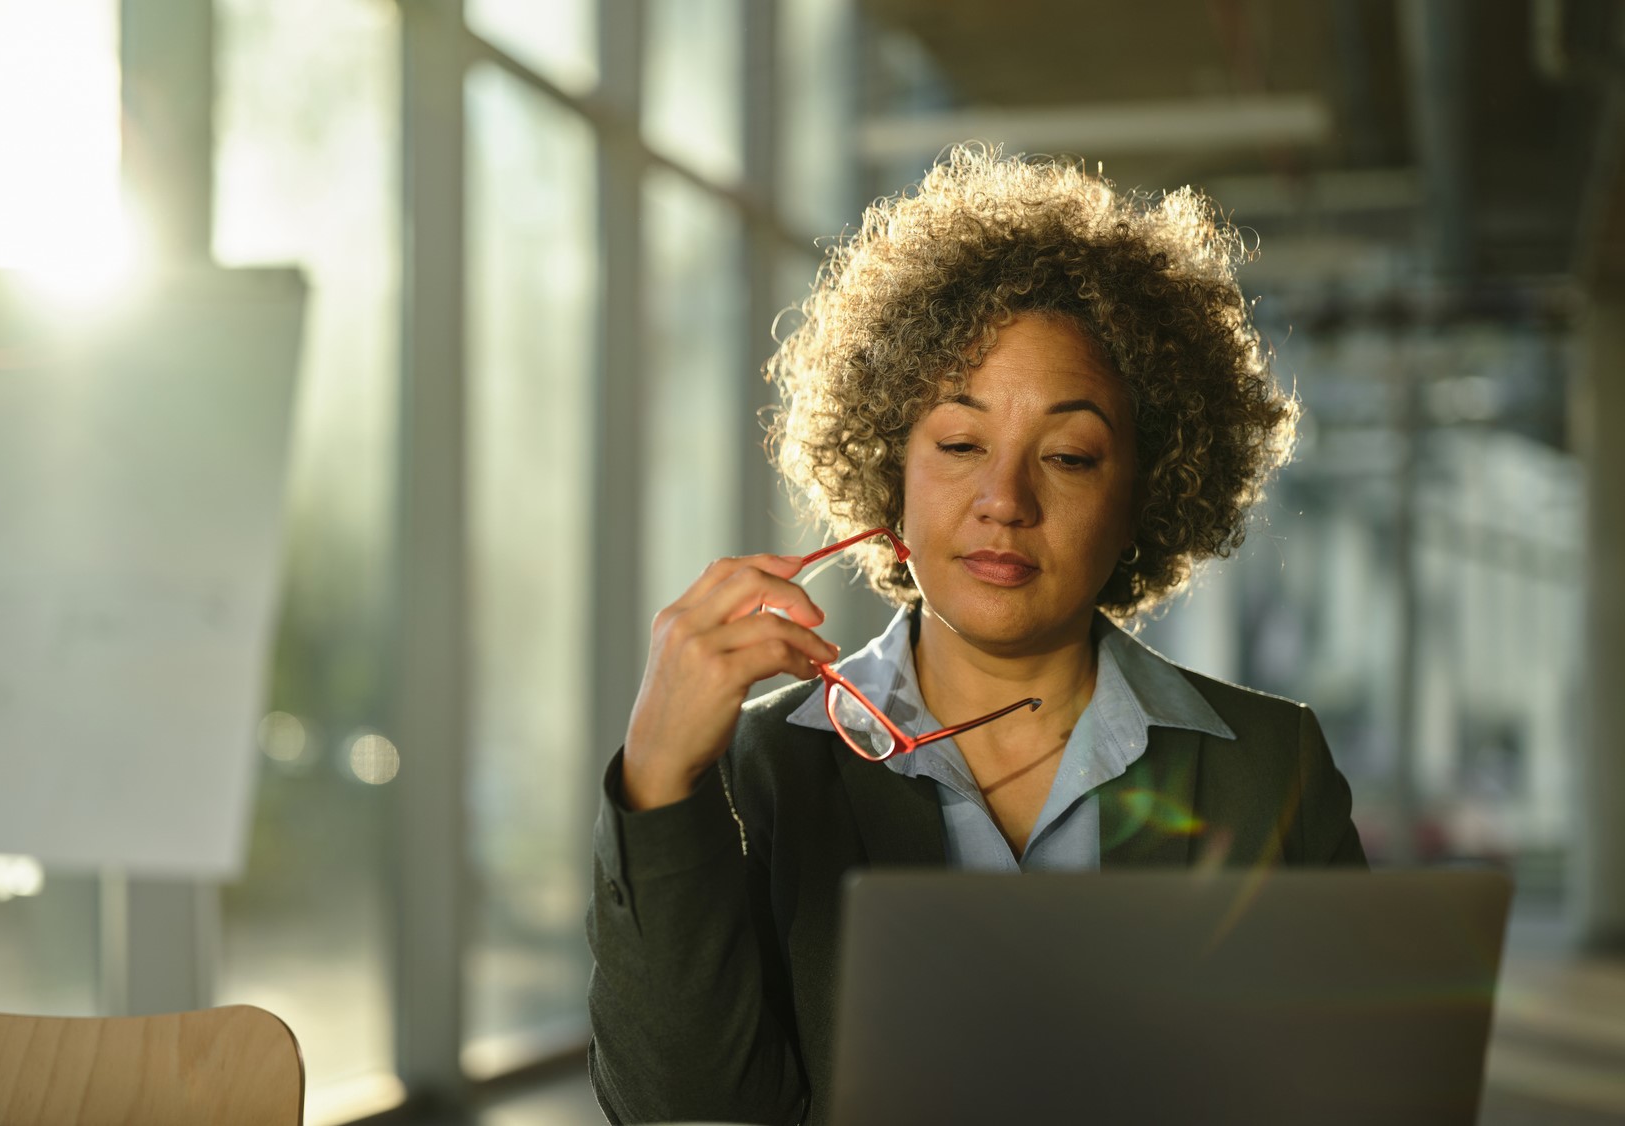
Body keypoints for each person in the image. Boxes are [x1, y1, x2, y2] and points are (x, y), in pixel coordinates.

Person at [585, 145, 1367, 1126]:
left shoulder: (1270, 767)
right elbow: (683, 1110)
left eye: (1069, 455)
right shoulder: (762, 765)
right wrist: (659, 784)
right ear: (890, 474)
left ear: (1144, 495)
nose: (1004, 499)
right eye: (959, 444)